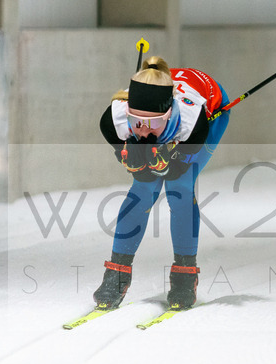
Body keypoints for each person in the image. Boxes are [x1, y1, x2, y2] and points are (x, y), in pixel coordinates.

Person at [92, 56, 230, 310]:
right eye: (136, 122)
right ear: (127, 112)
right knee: (143, 189)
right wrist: (136, 162)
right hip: (165, 89)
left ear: (169, 115)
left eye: (153, 123)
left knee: (179, 187)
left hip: (212, 103)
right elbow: (142, 176)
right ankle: (117, 273)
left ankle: (185, 275)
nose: (143, 131)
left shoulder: (191, 121)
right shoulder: (113, 120)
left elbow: (175, 170)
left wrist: (166, 163)